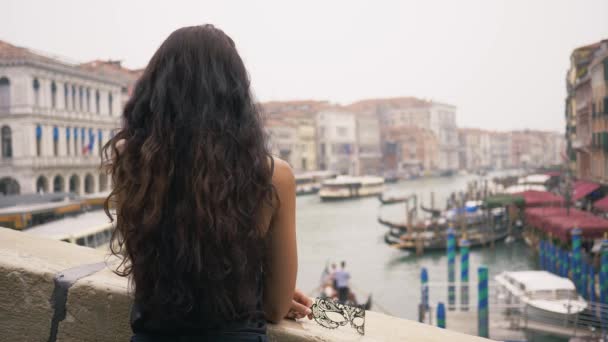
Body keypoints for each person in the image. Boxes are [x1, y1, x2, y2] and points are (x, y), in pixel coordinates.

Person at [103, 25, 311, 342]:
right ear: (236, 95)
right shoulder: (272, 177)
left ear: (156, 90)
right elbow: (275, 307)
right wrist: (255, 287)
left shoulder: (133, 164)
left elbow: (157, 271)